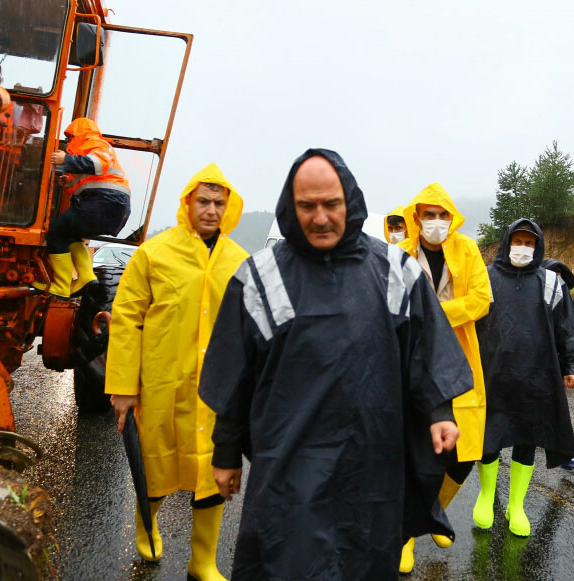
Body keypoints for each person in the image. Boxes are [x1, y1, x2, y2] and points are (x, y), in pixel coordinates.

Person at [199, 149, 471, 579]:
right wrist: (227, 452)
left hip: (370, 466)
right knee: (284, 563)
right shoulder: (258, 277)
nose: (320, 218)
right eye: (307, 206)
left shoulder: (395, 271)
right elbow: (235, 374)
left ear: (351, 203)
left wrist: (440, 412)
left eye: (331, 204)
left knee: (361, 561)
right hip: (288, 468)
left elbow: (425, 346)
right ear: (291, 207)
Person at [104, 164, 247, 578]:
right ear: (188, 203)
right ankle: (146, 529)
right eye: (203, 201)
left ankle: (203, 560)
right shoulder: (154, 253)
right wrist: (123, 387)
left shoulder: (240, 261)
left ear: (229, 208)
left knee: (213, 473)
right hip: (161, 384)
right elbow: (127, 319)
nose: (211, 210)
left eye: (219, 203)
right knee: (155, 463)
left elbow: (254, 327)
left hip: (216, 391)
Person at [472, 219, 574, 537]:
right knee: (490, 436)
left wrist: (571, 366)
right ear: (506, 242)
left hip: (536, 374)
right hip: (492, 372)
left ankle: (516, 504)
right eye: (517, 240)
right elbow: (468, 324)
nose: (522, 247)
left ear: (538, 247)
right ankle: (486, 496)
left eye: (529, 242)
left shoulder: (552, 282)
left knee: (527, 437)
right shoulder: (485, 276)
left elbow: (566, 328)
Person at [396, 183, 491, 572]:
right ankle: (403, 535)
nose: (436, 222)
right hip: (411, 360)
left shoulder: (466, 250)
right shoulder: (399, 255)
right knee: (410, 447)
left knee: (464, 451)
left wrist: (435, 313)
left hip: (459, 360)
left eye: (443, 215)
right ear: (416, 217)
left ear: (452, 218)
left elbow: (481, 300)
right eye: (428, 214)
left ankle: (433, 510)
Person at [40, 118, 130, 298]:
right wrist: (68, 182)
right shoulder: (88, 148)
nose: (70, 141)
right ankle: (87, 276)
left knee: (57, 231)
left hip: (105, 202)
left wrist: (67, 159)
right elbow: (89, 180)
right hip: (109, 205)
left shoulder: (95, 143)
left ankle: (61, 286)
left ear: (80, 133)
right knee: (70, 233)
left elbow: (98, 164)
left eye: (71, 136)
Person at [540, 257, 574, 475]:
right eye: (554, 276)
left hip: (551, 366)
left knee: (556, 415)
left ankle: (566, 458)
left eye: (561, 277)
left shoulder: (562, 303)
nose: (557, 281)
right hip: (516, 365)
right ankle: (490, 453)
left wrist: (571, 369)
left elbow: (569, 338)